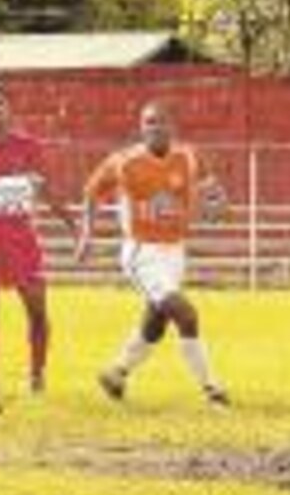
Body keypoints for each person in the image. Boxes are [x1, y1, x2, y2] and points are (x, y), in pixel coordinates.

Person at [75, 100, 229, 407]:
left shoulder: (189, 156)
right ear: (141, 128)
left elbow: (214, 191)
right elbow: (91, 192)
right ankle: (212, 389)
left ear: (172, 126)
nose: (154, 127)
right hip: (142, 252)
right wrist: (86, 234)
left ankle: (115, 373)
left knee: (155, 324)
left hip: (175, 251)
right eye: (148, 122)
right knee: (185, 313)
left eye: (159, 121)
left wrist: (217, 204)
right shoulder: (124, 162)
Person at [0, 86, 75, 393]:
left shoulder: (27, 146)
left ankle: (37, 374)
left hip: (22, 237)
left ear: (9, 109)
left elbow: (46, 190)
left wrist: (72, 225)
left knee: (37, 309)